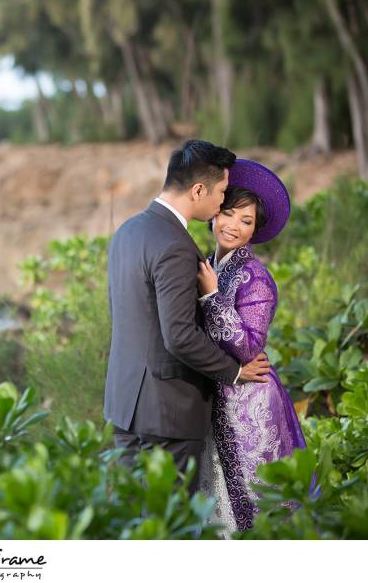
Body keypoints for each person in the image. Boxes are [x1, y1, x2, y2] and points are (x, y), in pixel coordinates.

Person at [104, 140, 271, 493]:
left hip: (124, 406)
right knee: (173, 526)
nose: (221, 202)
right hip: (169, 414)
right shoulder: (176, 247)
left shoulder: (128, 231)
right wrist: (234, 372)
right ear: (198, 190)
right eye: (222, 193)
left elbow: (127, 315)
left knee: (132, 520)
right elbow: (178, 335)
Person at [195, 158, 308, 535]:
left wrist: (212, 297)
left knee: (256, 506)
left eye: (247, 222)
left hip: (251, 400)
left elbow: (248, 347)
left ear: (255, 231)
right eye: (229, 214)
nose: (234, 227)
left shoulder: (255, 277)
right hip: (223, 391)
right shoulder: (212, 263)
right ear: (214, 214)